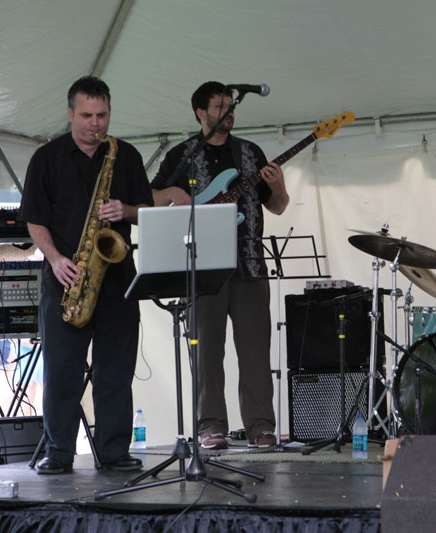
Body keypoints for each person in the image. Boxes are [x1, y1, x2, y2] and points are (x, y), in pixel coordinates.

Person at [19, 76, 153, 474]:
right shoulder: (46, 158)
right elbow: (34, 220)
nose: (95, 124)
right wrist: (57, 259)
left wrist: (125, 211)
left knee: (116, 373)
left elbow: (146, 210)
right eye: (86, 116)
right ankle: (59, 453)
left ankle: (114, 452)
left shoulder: (124, 155)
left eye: (102, 115)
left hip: (116, 283)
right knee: (61, 372)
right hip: (65, 281)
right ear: (69, 113)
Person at [150, 81, 288, 449]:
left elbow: (277, 206)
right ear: (201, 113)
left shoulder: (250, 152)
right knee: (207, 352)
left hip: (250, 265)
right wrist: (172, 194)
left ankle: (260, 427)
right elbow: (150, 196)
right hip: (203, 268)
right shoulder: (182, 155)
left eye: (230, 106)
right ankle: (211, 426)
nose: (228, 112)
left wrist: (278, 187)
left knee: (256, 351)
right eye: (220, 106)